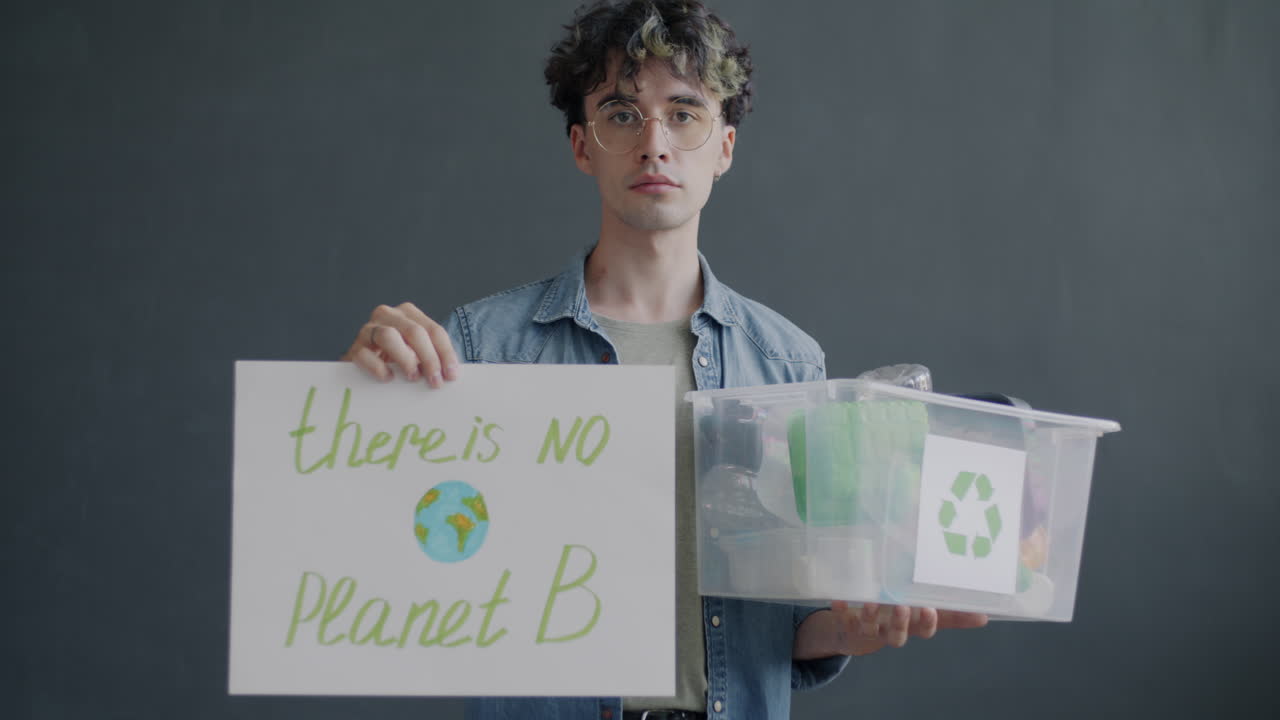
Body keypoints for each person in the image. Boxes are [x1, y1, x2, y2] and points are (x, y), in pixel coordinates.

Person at [340, 2, 987, 718]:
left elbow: (793, 614)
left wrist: (857, 624)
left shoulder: (787, 363)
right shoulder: (481, 348)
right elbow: (385, 549)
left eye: (684, 113)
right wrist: (362, 404)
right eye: (622, 114)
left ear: (726, 148)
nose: (654, 143)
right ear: (583, 147)